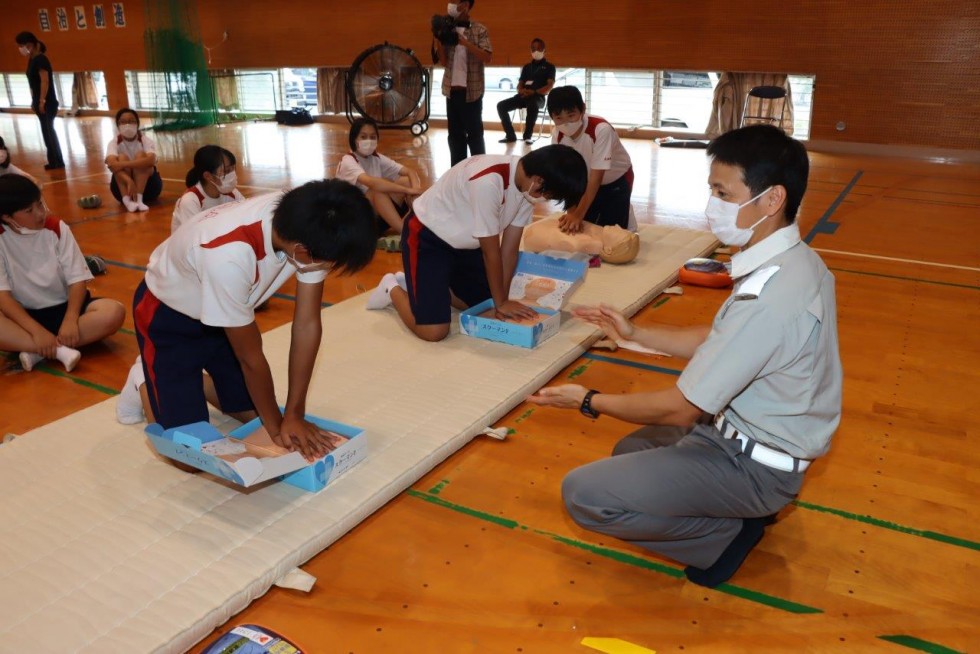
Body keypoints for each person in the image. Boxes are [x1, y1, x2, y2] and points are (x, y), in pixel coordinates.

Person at [528, 125, 842, 588]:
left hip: (754, 465)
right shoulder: (795, 260)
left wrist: (588, 400)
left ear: (772, 200)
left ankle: (721, 537)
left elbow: (681, 405)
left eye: (723, 192)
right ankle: (737, 510)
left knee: (586, 494)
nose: (712, 204)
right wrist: (636, 332)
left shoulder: (773, 295)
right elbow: (716, 337)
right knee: (631, 450)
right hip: (742, 437)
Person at [124, 180, 377, 460]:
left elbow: (306, 324)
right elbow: (250, 357)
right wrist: (278, 431)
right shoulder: (229, 255)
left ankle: (196, 381)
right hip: (169, 316)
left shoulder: (305, 221)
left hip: (226, 318)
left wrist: (293, 414)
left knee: (250, 415)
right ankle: (143, 378)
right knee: (189, 456)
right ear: (304, 252)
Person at [365, 144, 587, 342]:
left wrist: (502, 300)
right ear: (539, 181)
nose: (546, 200)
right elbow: (491, 253)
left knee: (486, 304)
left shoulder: (527, 189)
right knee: (434, 332)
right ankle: (392, 287)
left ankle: (427, 284)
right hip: (428, 238)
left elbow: (508, 250)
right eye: (550, 195)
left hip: (465, 246)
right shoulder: (489, 181)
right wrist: (501, 303)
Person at [0, 174, 125, 373]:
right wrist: (36, 331)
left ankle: (37, 350)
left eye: (39, 204)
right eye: (29, 211)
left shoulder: (56, 228)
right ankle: (58, 350)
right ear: (7, 217)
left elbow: (77, 280)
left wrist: (70, 319)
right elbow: (4, 298)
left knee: (114, 312)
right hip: (25, 317)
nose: (40, 213)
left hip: (66, 308)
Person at [547, 86, 634, 232]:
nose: (566, 123)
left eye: (571, 115)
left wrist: (579, 214)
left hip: (616, 181)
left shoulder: (600, 129)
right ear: (552, 117)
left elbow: (597, 178)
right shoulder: (557, 135)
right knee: (582, 229)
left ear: (583, 109)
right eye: (559, 118)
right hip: (585, 183)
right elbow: (565, 176)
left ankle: (627, 215)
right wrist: (572, 212)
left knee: (612, 234)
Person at [335, 118, 423, 235]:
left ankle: (419, 221)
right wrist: (407, 190)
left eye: (372, 137)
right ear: (354, 139)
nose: (369, 141)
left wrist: (414, 192)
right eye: (363, 137)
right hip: (355, 221)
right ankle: (406, 233)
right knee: (377, 190)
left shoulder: (376, 158)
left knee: (406, 181)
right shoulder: (348, 161)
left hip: (376, 216)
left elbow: (410, 172)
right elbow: (372, 183)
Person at [433, 0, 492, 166]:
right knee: (455, 137)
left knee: (475, 137)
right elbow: (444, 62)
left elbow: (487, 57)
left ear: (465, 5)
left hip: (471, 93)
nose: (451, 6)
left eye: (455, 2)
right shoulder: (448, 29)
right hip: (452, 93)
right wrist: (438, 38)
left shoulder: (479, 29)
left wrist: (465, 43)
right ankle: (457, 173)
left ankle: (480, 171)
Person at [14, 32, 65, 171]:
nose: (22, 48)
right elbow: (32, 83)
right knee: (46, 132)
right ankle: (54, 160)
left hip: (47, 102)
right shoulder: (32, 59)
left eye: (23, 45)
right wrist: (34, 101)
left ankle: (57, 162)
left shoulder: (41, 59)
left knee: (48, 131)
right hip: (39, 102)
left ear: (32, 44)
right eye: (19, 46)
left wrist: (42, 101)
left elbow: (45, 80)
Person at [171, 145, 245, 233]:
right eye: (226, 171)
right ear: (208, 176)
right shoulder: (190, 201)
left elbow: (247, 216)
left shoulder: (232, 193)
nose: (232, 175)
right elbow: (195, 238)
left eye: (233, 169)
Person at [496, 38, 555, 144]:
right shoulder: (527, 67)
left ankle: (527, 136)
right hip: (523, 96)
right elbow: (520, 83)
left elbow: (550, 85)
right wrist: (520, 90)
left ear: (544, 50)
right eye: (533, 49)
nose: (535, 51)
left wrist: (535, 92)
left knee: (532, 105)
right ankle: (510, 135)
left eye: (538, 48)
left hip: (538, 98)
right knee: (501, 106)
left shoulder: (550, 67)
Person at [105, 107, 163, 212]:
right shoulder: (113, 142)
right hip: (123, 190)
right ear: (118, 125)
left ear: (137, 124)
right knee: (121, 157)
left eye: (131, 121)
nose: (127, 124)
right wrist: (129, 181)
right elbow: (111, 164)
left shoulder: (145, 140)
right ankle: (127, 201)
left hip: (149, 189)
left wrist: (123, 165)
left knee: (141, 156)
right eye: (123, 122)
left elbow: (151, 160)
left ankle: (139, 200)